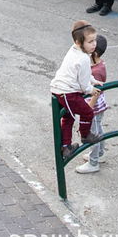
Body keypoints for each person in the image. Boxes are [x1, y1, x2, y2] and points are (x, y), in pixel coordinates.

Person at [49, 23, 101, 158]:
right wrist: (91, 90)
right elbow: (84, 85)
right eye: (90, 42)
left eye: (95, 40)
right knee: (87, 113)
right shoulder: (83, 58)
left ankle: (66, 147)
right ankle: (85, 135)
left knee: (68, 117)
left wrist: (93, 80)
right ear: (79, 42)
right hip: (67, 92)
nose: (94, 44)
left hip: (61, 90)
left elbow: (83, 73)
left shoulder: (74, 50)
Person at [75, 34, 108, 175]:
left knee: (93, 133)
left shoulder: (97, 70)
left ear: (94, 52)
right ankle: (100, 153)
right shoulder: (98, 64)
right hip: (98, 106)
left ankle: (93, 162)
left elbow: (96, 93)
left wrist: (88, 110)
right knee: (98, 129)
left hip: (93, 107)